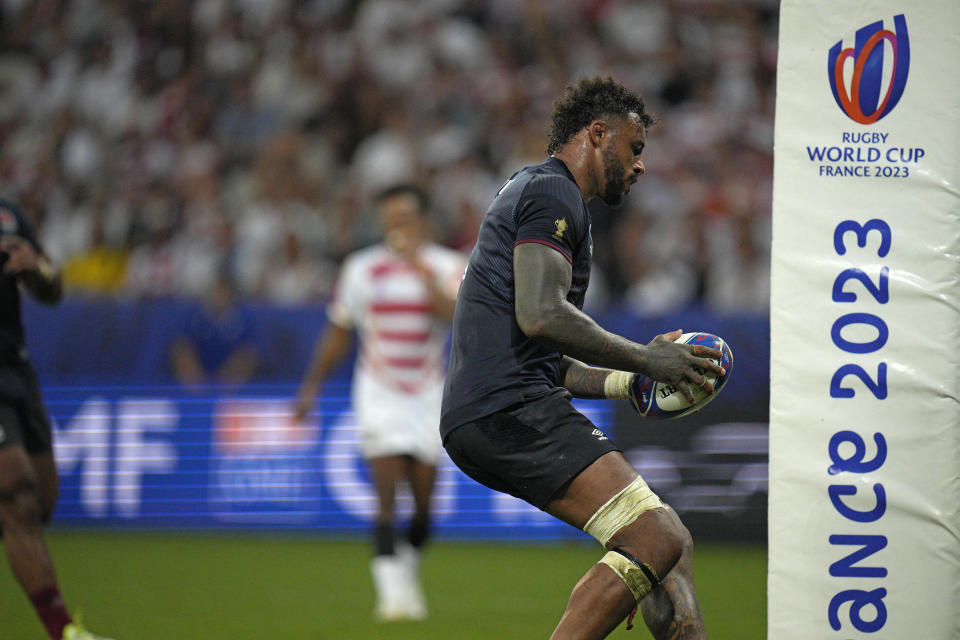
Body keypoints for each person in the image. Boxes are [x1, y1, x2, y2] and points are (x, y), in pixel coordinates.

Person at [440, 77, 725, 640]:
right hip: (507, 410)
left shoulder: (552, 201)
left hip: (501, 405)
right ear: (598, 134)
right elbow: (542, 317)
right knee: (655, 537)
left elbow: (548, 357)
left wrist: (629, 384)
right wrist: (648, 360)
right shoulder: (552, 194)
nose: (641, 166)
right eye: (635, 148)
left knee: (670, 547)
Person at [294, 184, 465, 621]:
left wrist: (415, 266)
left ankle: (406, 571)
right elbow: (339, 330)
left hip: (428, 393)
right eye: (389, 218)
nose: (396, 227)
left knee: (425, 502)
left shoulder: (448, 265)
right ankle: (390, 595)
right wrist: (310, 388)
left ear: (423, 220)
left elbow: (452, 315)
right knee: (386, 493)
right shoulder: (361, 268)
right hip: (378, 391)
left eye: (405, 218)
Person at [0, 198, 114, 640]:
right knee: (15, 489)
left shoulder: (9, 216)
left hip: (16, 368)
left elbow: (52, 290)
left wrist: (35, 268)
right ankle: (63, 631)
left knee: (40, 501)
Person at [168, 273, 260, 389]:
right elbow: (181, 348)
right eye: (216, 292)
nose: (219, 297)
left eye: (223, 292)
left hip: (229, 381)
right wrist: (191, 376)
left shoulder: (243, 320)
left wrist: (233, 378)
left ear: (231, 296)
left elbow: (248, 353)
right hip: (198, 379)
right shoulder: (194, 317)